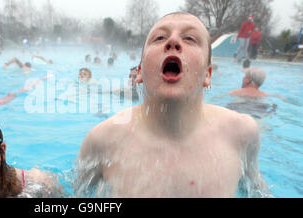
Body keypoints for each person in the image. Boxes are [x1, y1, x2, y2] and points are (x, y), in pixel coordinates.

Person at [77, 12, 270, 198]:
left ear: (207, 74)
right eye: (160, 38)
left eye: (190, 39)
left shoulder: (242, 134)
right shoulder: (102, 140)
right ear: (140, 72)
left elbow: (257, 190)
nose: (173, 42)